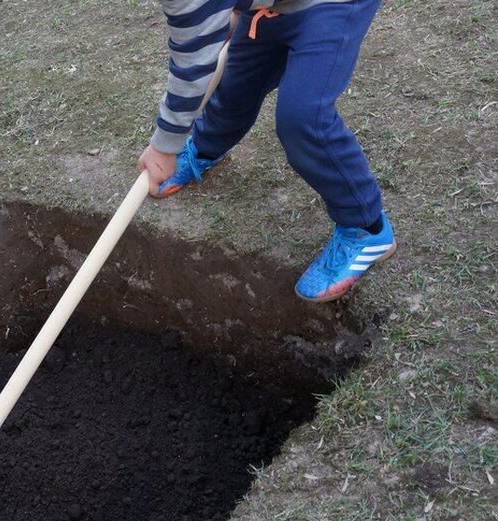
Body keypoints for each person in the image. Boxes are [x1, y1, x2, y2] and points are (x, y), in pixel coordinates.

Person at [137, 0, 396, 302]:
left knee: (303, 119)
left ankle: (367, 227)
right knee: (236, 88)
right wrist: (231, 10)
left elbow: (193, 63)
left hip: (329, 5)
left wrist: (164, 146)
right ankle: (205, 148)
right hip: (269, 10)